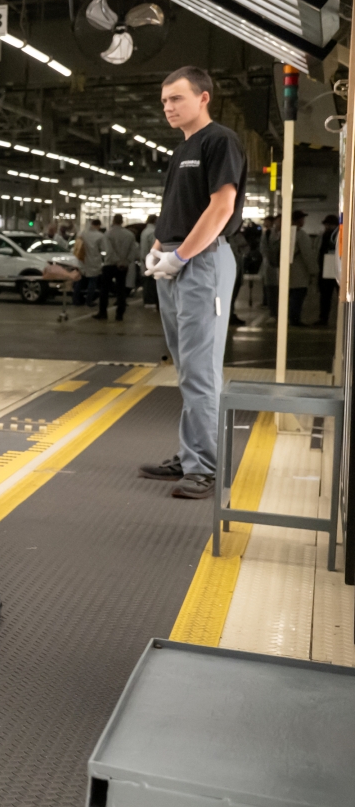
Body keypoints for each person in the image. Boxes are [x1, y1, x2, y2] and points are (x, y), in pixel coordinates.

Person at [139, 67, 246, 499]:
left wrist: (181, 255)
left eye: (177, 98)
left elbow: (221, 207)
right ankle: (191, 455)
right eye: (165, 100)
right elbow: (177, 207)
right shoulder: (182, 148)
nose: (168, 107)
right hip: (175, 260)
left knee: (201, 371)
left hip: (202, 262)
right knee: (187, 368)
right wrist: (158, 247)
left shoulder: (219, 141)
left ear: (203, 98)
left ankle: (205, 467)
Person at [96, 214, 134, 320]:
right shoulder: (129, 234)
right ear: (122, 221)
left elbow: (109, 250)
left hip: (110, 264)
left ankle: (103, 312)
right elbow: (133, 251)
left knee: (105, 289)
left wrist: (117, 261)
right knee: (121, 289)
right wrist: (125, 261)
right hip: (123, 265)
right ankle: (120, 314)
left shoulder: (108, 234)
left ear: (113, 221)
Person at [316, 213, 341, 325]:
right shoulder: (322, 236)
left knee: (331, 296)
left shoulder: (340, 236)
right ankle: (324, 318)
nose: (327, 227)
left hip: (335, 270)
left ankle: (330, 318)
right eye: (326, 225)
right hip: (326, 270)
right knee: (325, 296)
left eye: (329, 225)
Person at [75, 218, 104, 308]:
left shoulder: (82, 233)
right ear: (98, 225)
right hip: (94, 261)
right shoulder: (100, 236)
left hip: (82, 260)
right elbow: (103, 248)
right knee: (92, 281)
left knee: (79, 281)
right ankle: (89, 300)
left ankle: (75, 300)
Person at [140, 214, 161, 308]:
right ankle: (151, 301)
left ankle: (147, 300)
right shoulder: (153, 232)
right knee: (152, 282)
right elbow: (154, 248)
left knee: (147, 281)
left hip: (144, 258)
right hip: (151, 260)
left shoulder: (145, 231)